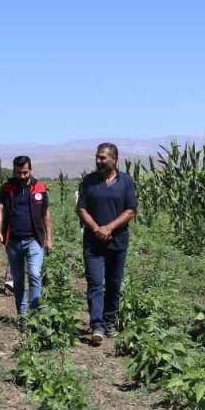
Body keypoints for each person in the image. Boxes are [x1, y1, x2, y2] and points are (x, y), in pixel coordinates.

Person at [76, 143, 137, 346]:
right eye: (97, 157)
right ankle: (97, 325)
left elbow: (130, 210)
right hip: (93, 243)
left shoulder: (126, 182)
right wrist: (96, 229)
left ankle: (109, 321)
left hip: (117, 242)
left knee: (113, 283)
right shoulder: (89, 181)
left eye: (103, 158)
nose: (98, 161)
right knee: (95, 283)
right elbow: (82, 209)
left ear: (114, 159)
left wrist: (109, 228)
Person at [0, 156, 52, 330]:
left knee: (34, 273)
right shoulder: (7, 188)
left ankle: (35, 315)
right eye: (19, 172)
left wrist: (49, 238)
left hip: (35, 239)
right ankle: (22, 316)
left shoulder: (39, 188)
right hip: (13, 240)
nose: (22, 175)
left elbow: (46, 214)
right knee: (18, 280)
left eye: (25, 172)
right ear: (14, 171)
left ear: (30, 169)